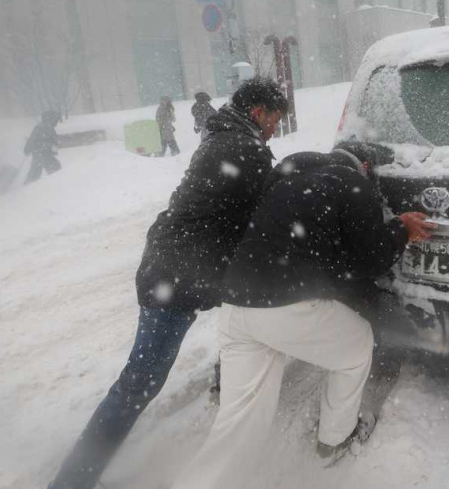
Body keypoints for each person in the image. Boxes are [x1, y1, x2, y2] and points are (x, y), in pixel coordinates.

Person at [47, 79, 289, 489]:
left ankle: (226, 378)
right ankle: (71, 482)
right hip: (177, 277)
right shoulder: (244, 149)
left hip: (177, 265)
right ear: (258, 112)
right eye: (274, 119)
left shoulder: (222, 136)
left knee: (240, 315)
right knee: (139, 383)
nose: (274, 128)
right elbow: (267, 212)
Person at [172, 145, 435, 489]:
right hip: (283, 306)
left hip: (237, 305)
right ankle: (335, 439)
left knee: (237, 420)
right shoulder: (353, 183)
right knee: (358, 345)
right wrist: (400, 228)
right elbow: (369, 259)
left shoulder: (288, 178)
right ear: (363, 166)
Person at [23, 110, 62, 184]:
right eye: (56, 120)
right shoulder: (48, 127)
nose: (56, 122)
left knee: (35, 172)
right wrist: (52, 145)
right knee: (55, 168)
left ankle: (28, 185)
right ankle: (57, 184)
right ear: (51, 118)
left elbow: (32, 138)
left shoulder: (39, 126)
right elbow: (53, 141)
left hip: (38, 153)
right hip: (44, 153)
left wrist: (27, 149)